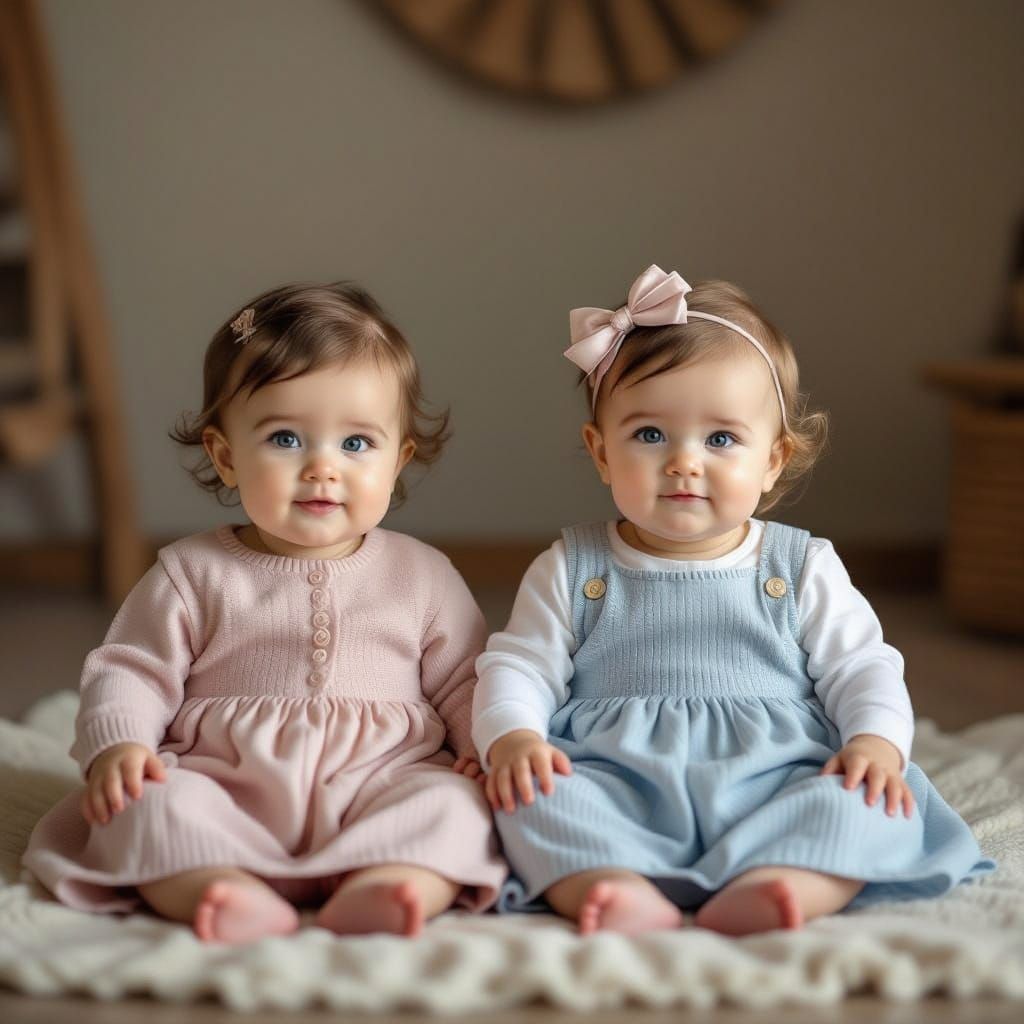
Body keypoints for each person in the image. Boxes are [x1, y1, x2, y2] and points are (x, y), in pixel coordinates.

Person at [472, 265, 993, 937]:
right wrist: (514, 738)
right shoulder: (574, 566)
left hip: (774, 777)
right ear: (601, 453)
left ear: (772, 460)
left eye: (720, 439)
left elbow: (862, 667)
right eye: (649, 435)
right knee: (531, 797)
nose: (685, 461)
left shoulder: (800, 565)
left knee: (868, 800)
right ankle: (611, 881)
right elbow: (519, 666)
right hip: (618, 780)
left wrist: (875, 744)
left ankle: (784, 878)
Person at [26, 282, 505, 943]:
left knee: (455, 802)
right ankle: (214, 886)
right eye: (285, 438)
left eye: (357, 445)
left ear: (398, 461)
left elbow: (466, 679)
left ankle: (389, 882)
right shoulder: (192, 572)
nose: (322, 469)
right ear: (226, 457)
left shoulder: (422, 575)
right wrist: (122, 744)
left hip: (379, 781)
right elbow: (130, 669)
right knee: (144, 803)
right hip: (224, 786)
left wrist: (488, 744)